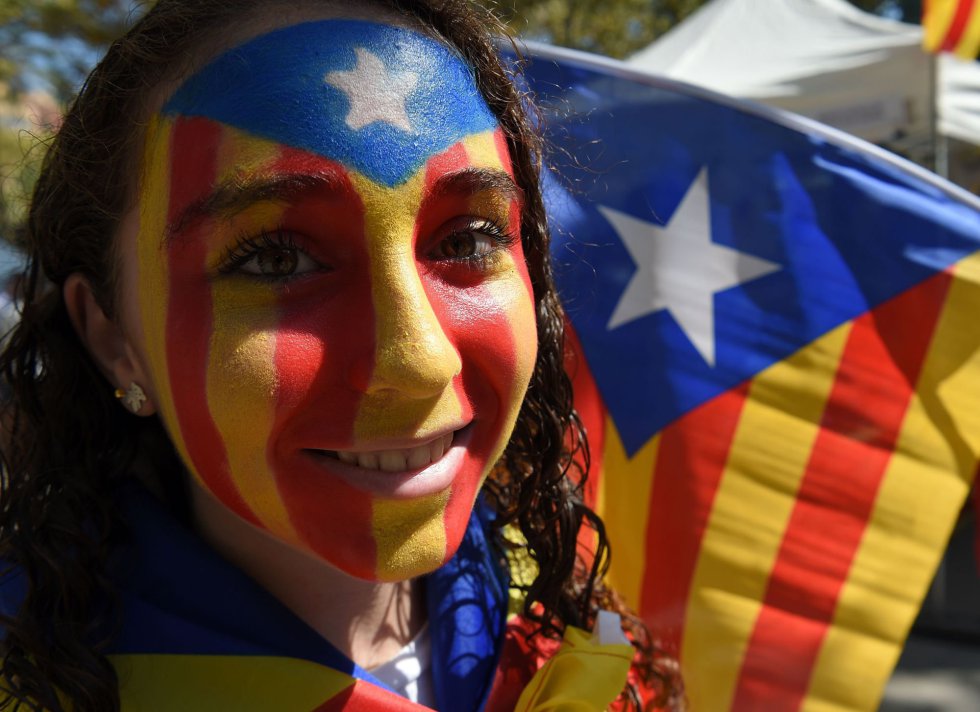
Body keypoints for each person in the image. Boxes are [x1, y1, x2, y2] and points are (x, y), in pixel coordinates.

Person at [0, 0, 683, 709]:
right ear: (113, 339)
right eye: (274, 258)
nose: (418, 362)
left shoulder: (563, 621)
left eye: (467, 239)